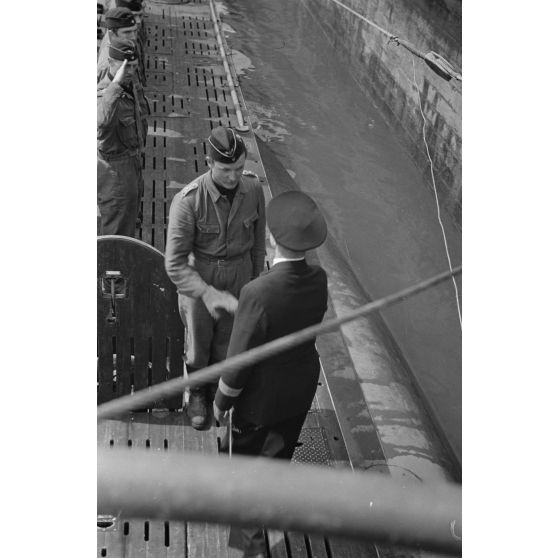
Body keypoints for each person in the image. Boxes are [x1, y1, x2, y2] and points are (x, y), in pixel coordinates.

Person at [213, 190, 328, 557]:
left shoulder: (257, 292)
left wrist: (220, 403)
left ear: (270, 239)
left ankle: (251, 549)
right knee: (275, 462)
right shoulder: (320, 279)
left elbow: (239, 361)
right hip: (299, 392)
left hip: (260, 403)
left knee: (246, 481)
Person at [165, 126, 266, 430]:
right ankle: (197, 391)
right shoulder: (188, 202)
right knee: (199, 343)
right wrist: (208, 294)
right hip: (201, 280)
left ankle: (220, 392)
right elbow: (174, 264)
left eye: (239, 168)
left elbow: (258, 243)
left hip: (239, 274)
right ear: (209, 163)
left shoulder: (254, 190)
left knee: (230, 341)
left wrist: (254, 283)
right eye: (225, 170)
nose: (234, 177)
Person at [97, 39, 144, 237]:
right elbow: (101, 124)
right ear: (111, 62)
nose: (131, 71)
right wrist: (115, 84)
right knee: (116, 233)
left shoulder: (128, 86)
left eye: (134, 66)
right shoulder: (105, 95)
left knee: (128, 222)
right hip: (114, 173)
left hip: (131, 163)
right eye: (126, 67)